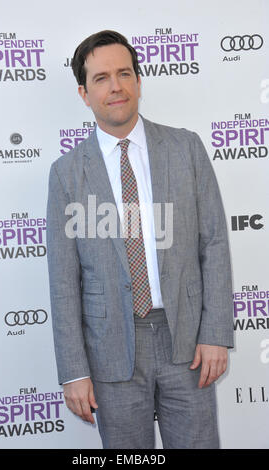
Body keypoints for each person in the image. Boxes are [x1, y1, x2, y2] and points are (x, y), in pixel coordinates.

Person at [46, 30, 234, 449]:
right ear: (84, 92)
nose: (116, 86)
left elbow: (215, 244)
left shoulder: (186, 149)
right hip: (110, 348)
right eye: (101, 78)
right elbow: (62, 281)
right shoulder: (66, 174)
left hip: (186, 343)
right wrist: (75, 371)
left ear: (138, 81)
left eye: (124, 73)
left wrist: (216, 333)